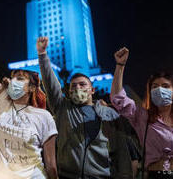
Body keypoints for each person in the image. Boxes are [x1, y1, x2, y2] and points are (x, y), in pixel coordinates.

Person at [0, 19, 58, 179]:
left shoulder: (44, 117)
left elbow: (51, 165)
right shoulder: (2, 101)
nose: (14, 82)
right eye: (13, 78)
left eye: (20, 79)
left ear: (32, 87)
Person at [37, 37, 133, 179]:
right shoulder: (64, 109)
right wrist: (42, 55)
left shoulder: (109, 114)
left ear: (92, 90)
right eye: (73, 86)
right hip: (67, 176)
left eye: (82, 85)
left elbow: (121, 151)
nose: (78, 88)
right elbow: (51, 84)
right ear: (69, 92)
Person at [110, 47, 173, 178]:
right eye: (155, 87)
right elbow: (118, 99)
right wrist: (120, 65)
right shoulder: (142, 116)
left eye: (166, 86)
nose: (160, 90)